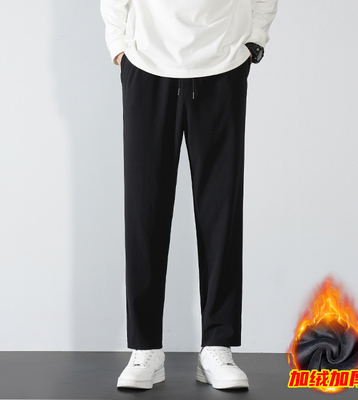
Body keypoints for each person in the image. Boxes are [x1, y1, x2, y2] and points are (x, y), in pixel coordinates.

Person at [100, 0, 278, 390]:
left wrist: (254, 39)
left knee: (221, 211)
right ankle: (146, 347)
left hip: (223, 62)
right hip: (147, 61)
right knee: (145, 210)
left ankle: (217, 345)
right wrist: (119, 45)